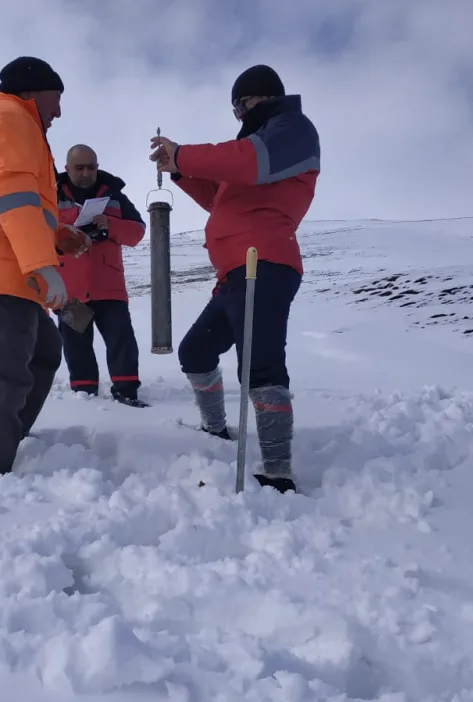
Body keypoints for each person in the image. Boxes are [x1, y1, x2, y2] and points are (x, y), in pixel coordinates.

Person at [149, 64, 320, 494]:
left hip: (264, 264)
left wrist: (184, 152)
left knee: (260, 366)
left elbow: (248, 162)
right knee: (195, 351)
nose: (239, 115)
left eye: (241, 105)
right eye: (235, 108)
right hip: (234, 274)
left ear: (263, 98)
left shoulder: (291, 131)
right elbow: (221, 198)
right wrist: (180, 171)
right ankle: (215, 430)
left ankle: (277, 471)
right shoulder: (255, 150)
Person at [0, 56, 90, 483]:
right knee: (6, 368)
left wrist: (59, 236)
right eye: (56, 99)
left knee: (43, 351)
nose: (59, 112)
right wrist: (43, 265)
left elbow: (14, 201)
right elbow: (13, 196)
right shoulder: (11, 117)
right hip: (0, 261)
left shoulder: (7, 120)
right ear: (31, 93)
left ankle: (5, 437)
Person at [55, 144, 149, 407]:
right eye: (79, 167)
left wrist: (111, 225)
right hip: (69, 291)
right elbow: (37, 235)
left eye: (91, 167)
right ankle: (84, 398)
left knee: (122, 341)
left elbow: (138, 232)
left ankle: (127, 393)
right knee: (76, 346)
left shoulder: (115, 196)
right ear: (67, 169)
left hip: (109, 287)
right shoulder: (49, 196)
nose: (86, 173)